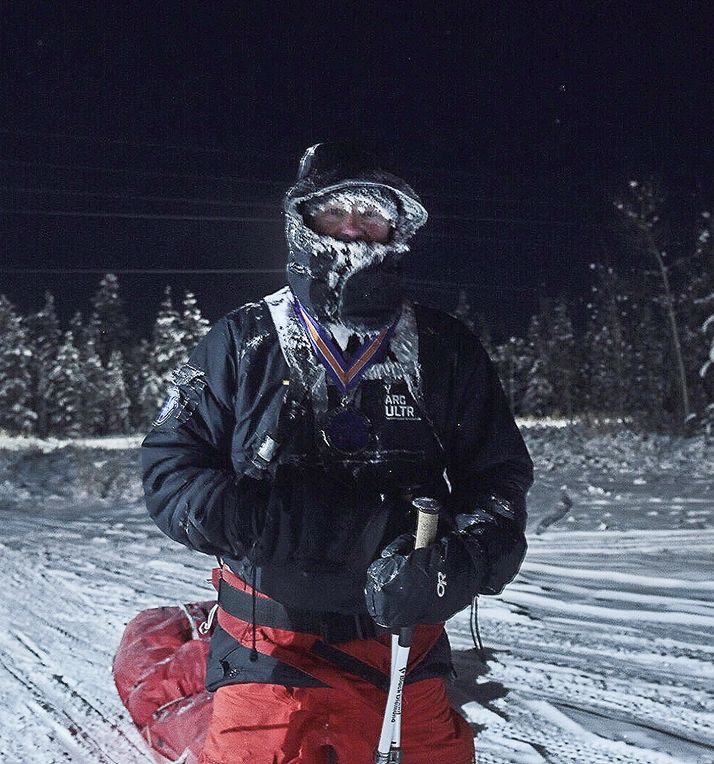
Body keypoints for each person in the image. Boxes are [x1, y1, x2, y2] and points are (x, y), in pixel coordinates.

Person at [140, 141, 534, 764]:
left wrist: (464, 560)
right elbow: (170, 467)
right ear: (303, 221)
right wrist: (261, 520)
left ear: (397, 230)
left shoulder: (445, 348)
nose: (352, 229)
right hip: (268, 642)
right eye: (335, 211)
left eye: (372, 213)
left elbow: (498, 479)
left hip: (401, 641)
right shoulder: (242, 340)